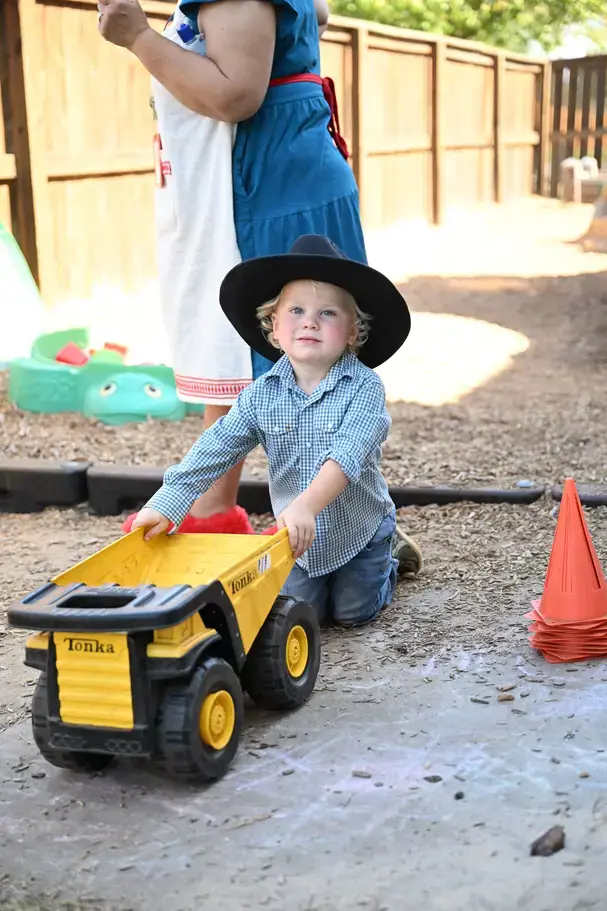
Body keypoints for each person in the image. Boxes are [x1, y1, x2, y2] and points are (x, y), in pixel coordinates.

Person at [98, 0, 367, 537]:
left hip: (271, 184)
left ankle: (342, 524)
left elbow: (234, 93)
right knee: (253, 346)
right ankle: (216, 509)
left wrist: (138, 38)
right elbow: (318, 14)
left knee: (303, 354)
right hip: (286, 173)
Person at [130, 235, 422, 628]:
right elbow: (216, 448)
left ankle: (389, 554)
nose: (310, 321)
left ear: (353, 332)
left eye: (329, 313)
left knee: (354, 613)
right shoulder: (261, 396)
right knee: (304, 615)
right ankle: (332, 576)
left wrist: (306, 505)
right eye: (297, 310)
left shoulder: (365, 388)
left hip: (358, 528)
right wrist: (167, 502)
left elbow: (348, 455)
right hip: (300, 537)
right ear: (274, 327)